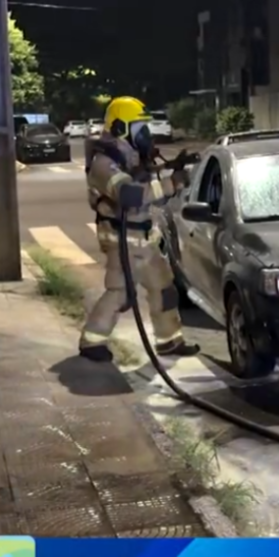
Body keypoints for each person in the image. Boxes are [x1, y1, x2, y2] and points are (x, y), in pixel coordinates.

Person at [79, 96, 199, 363]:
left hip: (144, 236)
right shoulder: (103, 163)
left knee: (164, 288)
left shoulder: (130, 155)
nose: (146, 133)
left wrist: (171, 167)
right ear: (121, 126)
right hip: (121, 237)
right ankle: (91, 342)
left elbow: (144, 181)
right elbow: (130, 195)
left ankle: (169, 341)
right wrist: (172, 184)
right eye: (139, 127)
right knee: (120, 292)